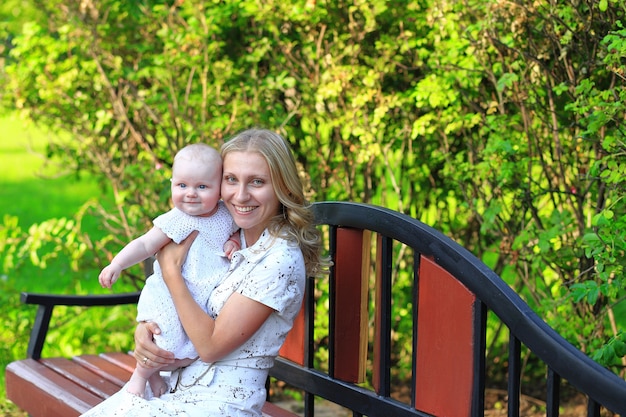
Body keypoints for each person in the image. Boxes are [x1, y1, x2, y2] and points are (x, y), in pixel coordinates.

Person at [81, 128, 327, 417]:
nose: (240, 195)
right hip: (176, 387)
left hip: (221, 404)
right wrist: (148, 329)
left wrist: (171, 272)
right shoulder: (232, 231)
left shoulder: (279, 259)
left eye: (257, 182)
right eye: (231, 179)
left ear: (282, 187)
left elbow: (210, 347)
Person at [98, 143, 240, 398]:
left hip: (199, 297)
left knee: (186, 353)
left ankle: (153, 376)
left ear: (219, 188)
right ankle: (139, 378)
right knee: (166, 338)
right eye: (182, 185)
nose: (191, 194)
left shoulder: (226, 216)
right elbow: (144, 243)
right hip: (170, 296)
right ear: (172, 184)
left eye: (202, 187)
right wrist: (117, 264)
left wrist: (234, 242)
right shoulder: (176, 219)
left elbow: (236, 234)